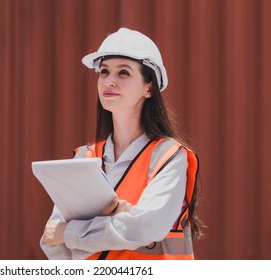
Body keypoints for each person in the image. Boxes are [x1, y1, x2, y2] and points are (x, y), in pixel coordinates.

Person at [40, 27, 202, 260]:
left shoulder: (169, 157)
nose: (109, 81)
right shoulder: (84, 157)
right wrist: (118, 221)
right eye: (104, 72)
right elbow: (51, 241)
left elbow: (146, 228)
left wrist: (71, 232)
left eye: (123, 73)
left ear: (149, 88)